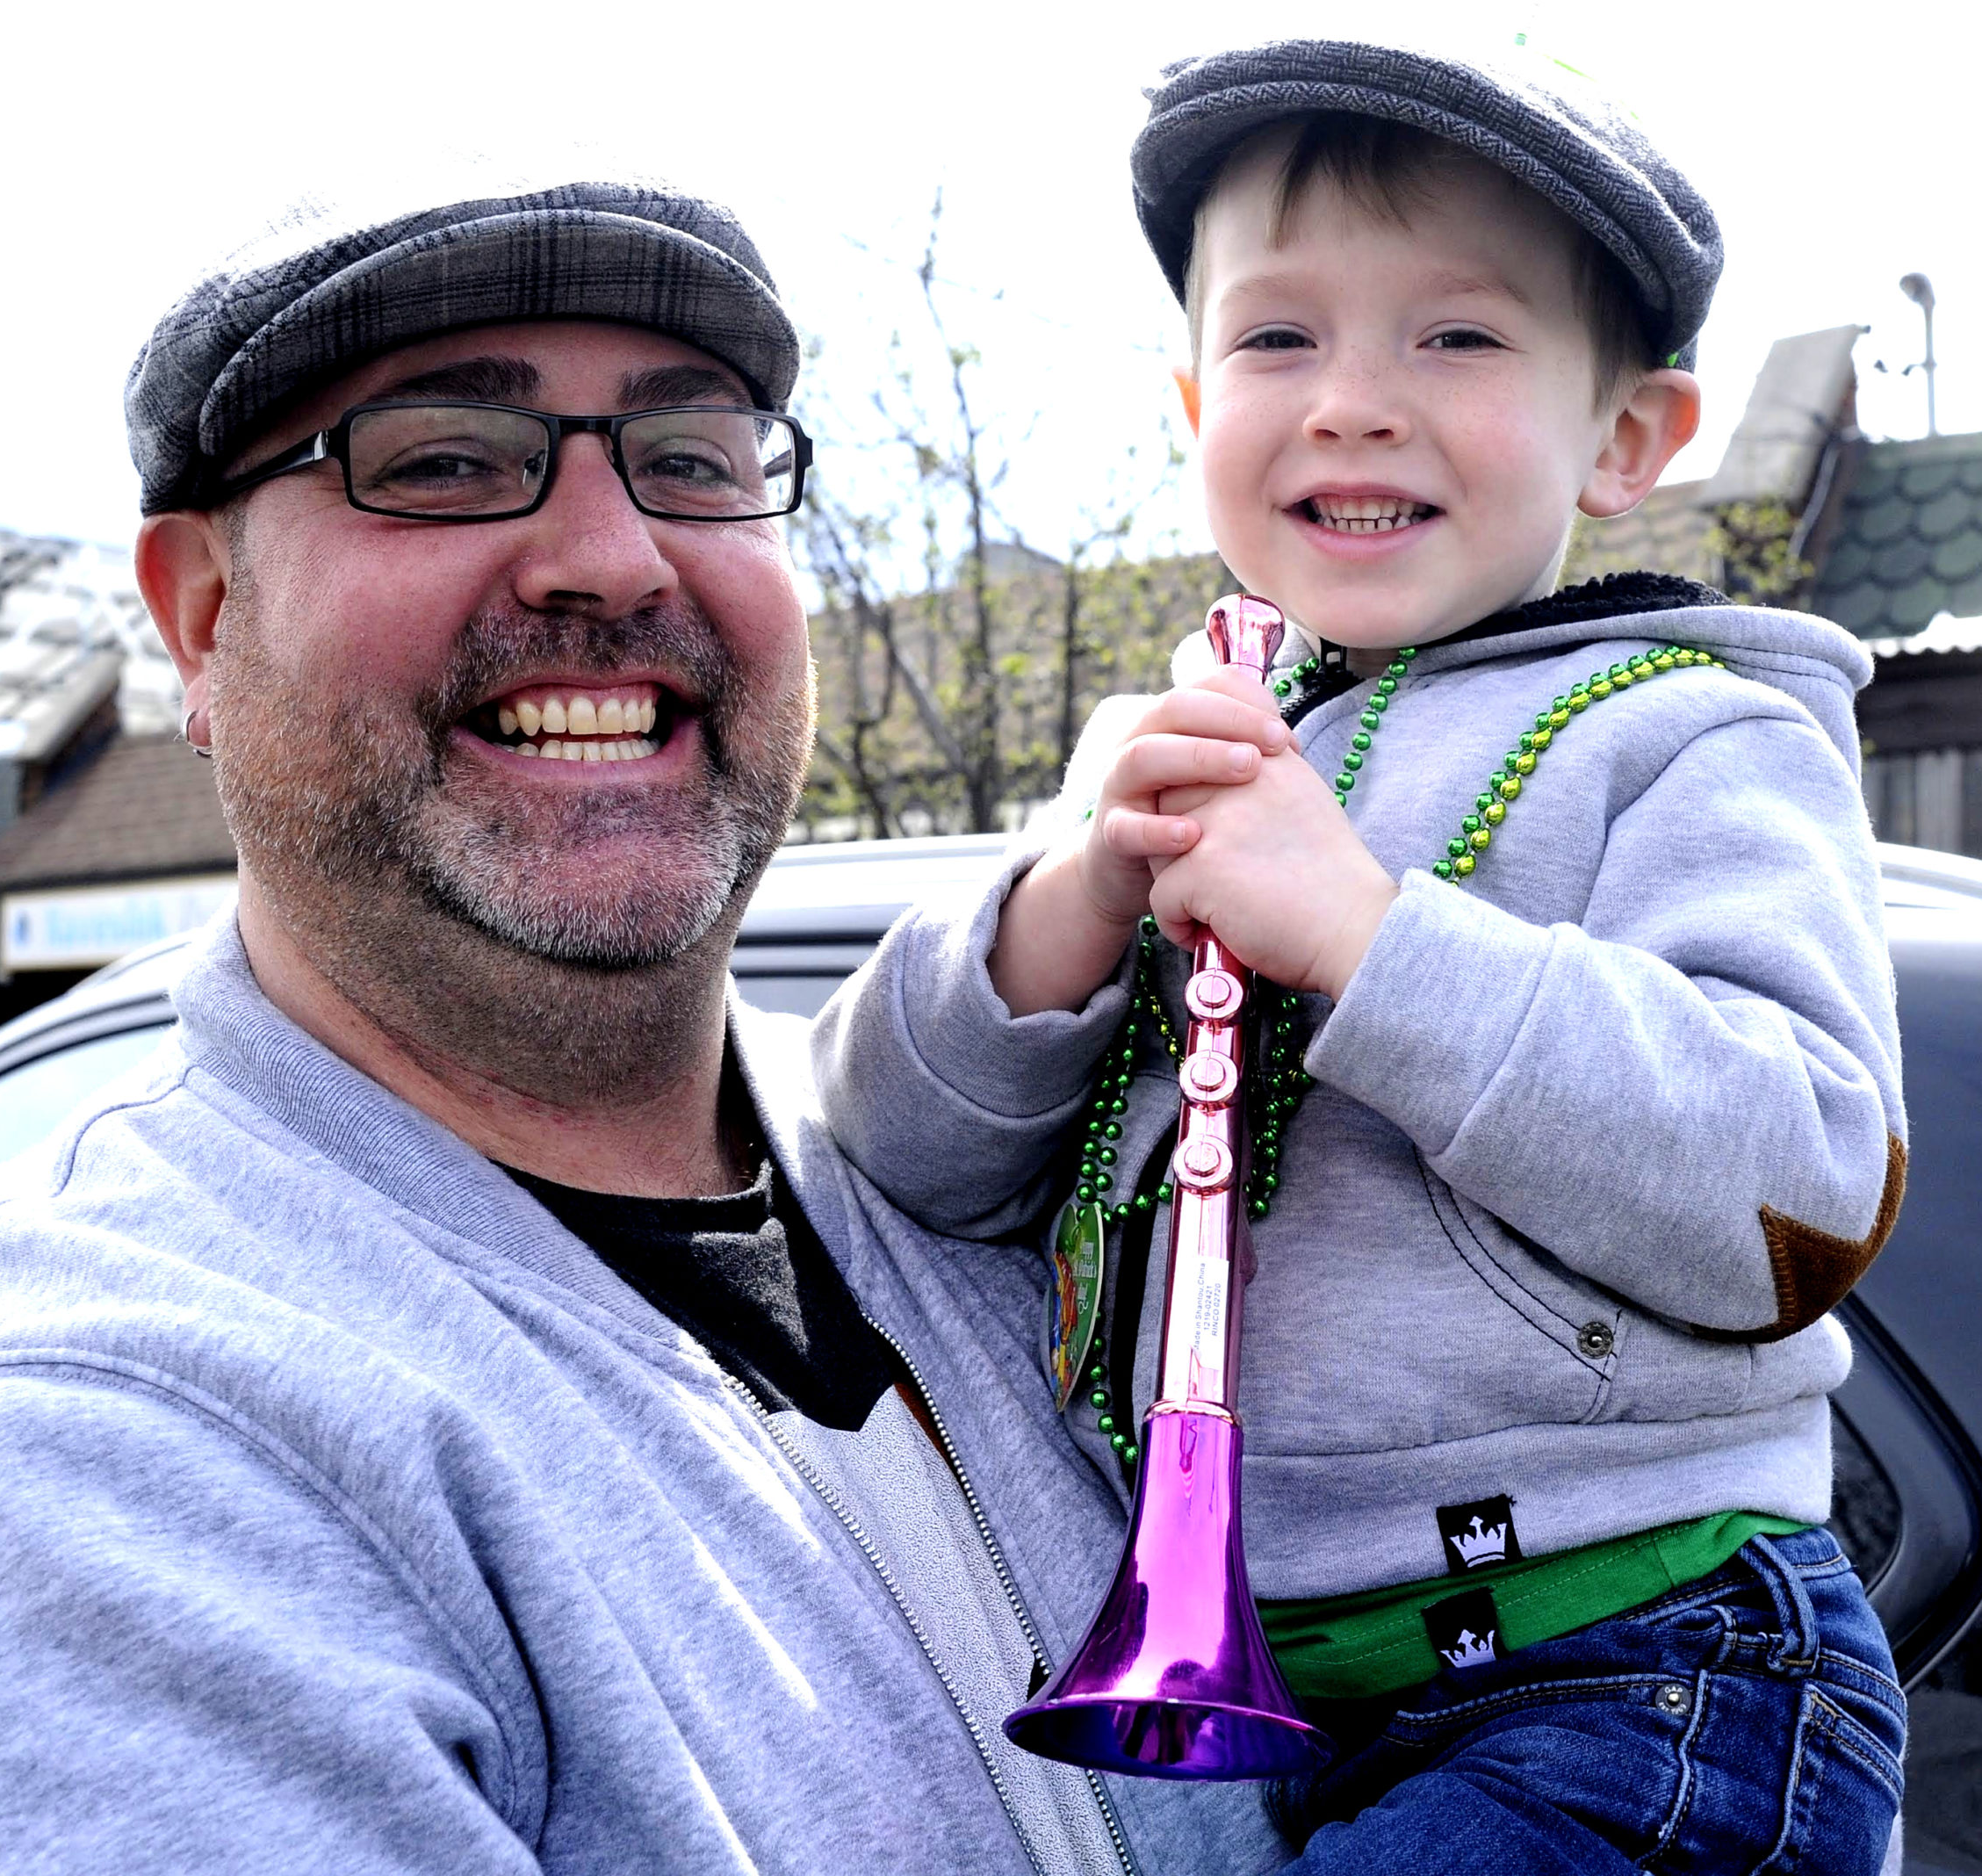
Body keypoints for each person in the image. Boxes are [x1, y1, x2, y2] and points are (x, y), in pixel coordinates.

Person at [0, 177, 1289, 1875]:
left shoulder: (1017, 1155)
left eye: (691, 458)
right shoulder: (59, 1465)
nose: (610, 557)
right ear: (204, 615)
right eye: (446, 459)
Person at [815, 41, 1909, 1872]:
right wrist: (1067, 903)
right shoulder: (1173, 752)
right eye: (1276, 338)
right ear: (1191, 401)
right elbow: (896, 1157)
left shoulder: (1696, 738)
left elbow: (1797, 1200)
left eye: (1456, 337)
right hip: (1285, 1710)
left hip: (1636, 1670)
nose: (1349, 406)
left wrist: (1368, 941)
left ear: (1628, 438)